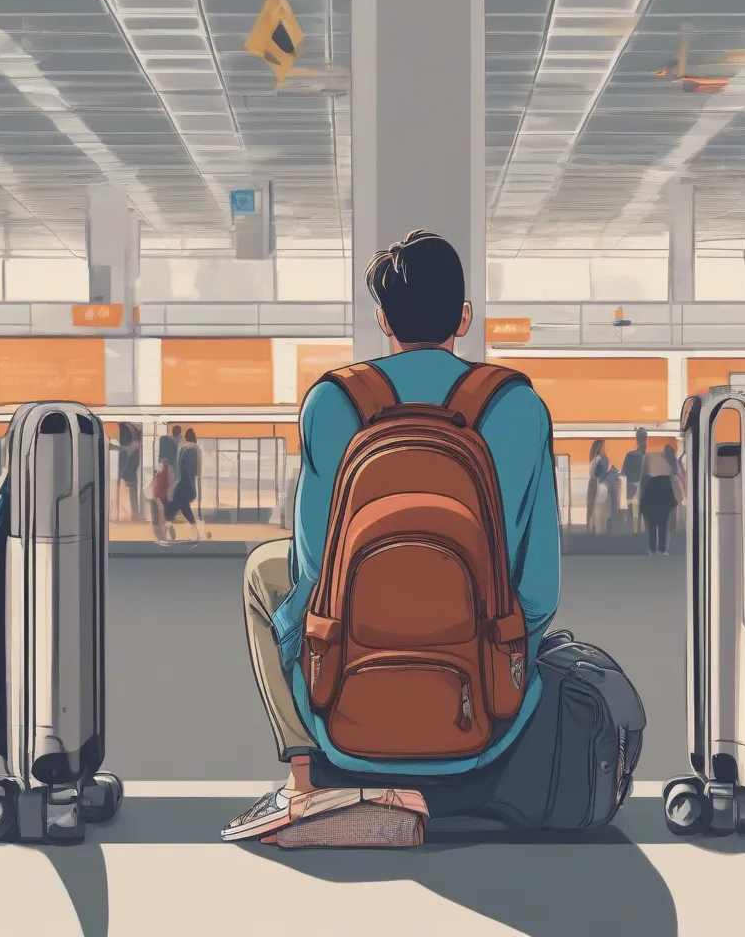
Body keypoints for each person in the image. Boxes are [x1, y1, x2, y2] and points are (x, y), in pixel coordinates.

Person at [223, 229, 560, 846]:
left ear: (383, 318)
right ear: (464, 316)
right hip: (485, 708)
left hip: (346, 697)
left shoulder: (332, 401)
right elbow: (539, 588)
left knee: (260, 571)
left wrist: (314, 641)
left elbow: (310, 568)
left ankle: (305, 779)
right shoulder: (519, 406)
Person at [639, 448, 678, 556]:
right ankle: (662, 549)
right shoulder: (670, 458)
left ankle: (653, 549)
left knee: (652, 521)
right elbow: (674, 475)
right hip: (665, 489)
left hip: (652, 489)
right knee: (663, 521)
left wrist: (641, 495)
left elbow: (643, 476)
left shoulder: (648, 456)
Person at [620, 429, 648, 531]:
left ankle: (633, 530)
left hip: (631, 486)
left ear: (636, 439)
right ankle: (642, 531)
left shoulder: (630, 455)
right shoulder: (647, 456)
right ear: (646, 439)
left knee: (631, 511)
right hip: (643, 486)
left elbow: (623, 471)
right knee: (643, 510)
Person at [117, 422, 142, 521]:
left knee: (131, 492)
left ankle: (133, 514)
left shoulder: (127, 448)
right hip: (129, 473)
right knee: (132, 492)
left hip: (128, 472)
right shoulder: (133, 447)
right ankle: (133, 514)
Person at [147, 455, 174, 542]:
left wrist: (155, 497)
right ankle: (164, 532)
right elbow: (170, 485)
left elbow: (155, 488)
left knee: (158, 519)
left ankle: (161, 535)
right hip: (163, 498)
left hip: (157, 498)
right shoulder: (169, 472)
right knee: (162, 518)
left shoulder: (158, 475)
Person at [586, 439, 609, 533]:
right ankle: (598, 528)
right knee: (599, 507)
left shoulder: (594, 458)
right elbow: (601, 473)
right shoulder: (602, 458)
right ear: (599, 447)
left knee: (591, 506)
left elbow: (592, 473)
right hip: (598, 483)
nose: (605, 448)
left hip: (592, 482)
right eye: (603, 446)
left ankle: (590, 527)